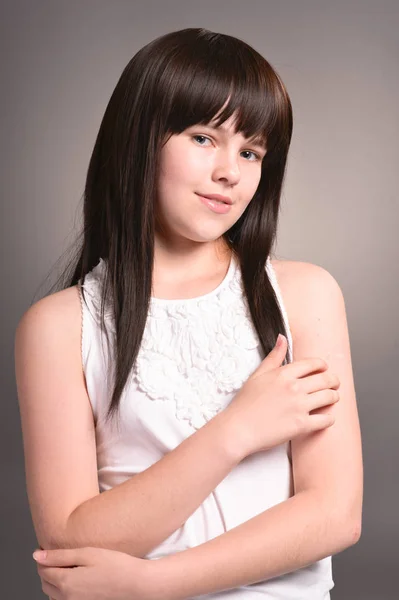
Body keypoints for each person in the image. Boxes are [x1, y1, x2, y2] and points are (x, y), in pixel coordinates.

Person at [15, 27, 363, 600]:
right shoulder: (59, 327)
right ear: (138, 139)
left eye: (251, 152)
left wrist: (154, 583)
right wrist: (236, 430)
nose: (231, 171)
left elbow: (334, 514)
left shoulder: (303, 295)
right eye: (204, 138)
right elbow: (70, 538)